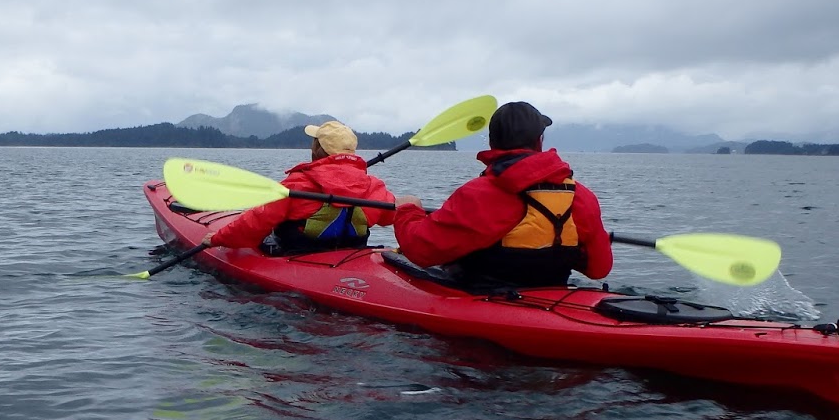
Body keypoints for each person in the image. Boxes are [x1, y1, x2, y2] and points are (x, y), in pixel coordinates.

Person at [393, 101, 613, 287]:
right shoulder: (580, 195)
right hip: (551, 295)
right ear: (539, 142)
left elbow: (419, 250)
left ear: (491, 143)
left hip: (481, 298)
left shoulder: (477, 195)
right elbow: (599, 269)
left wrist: (408, 210)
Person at [204, 120, 397, 252]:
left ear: (317, 150)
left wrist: (217, 239)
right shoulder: (374, 186)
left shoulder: (299, 184)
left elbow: (256, 221)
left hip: (297, 253)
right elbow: (390, 217)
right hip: (351, 252)